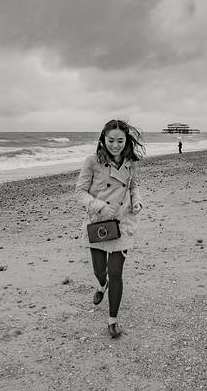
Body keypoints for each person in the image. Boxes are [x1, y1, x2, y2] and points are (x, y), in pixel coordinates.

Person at [75, 119, 145, 339]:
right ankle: (101, 284)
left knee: (116, 273)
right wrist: (99, 206)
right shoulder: (92, 161)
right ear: (103, 140)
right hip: (98, 223)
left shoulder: (130, 162)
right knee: (100, 270)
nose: (115, 145)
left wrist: (137, 201)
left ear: (126, 141)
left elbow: (133, 185)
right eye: (111, 140)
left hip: (122, 222)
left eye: (120, 141)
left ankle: (112, 320)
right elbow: (80, 192)